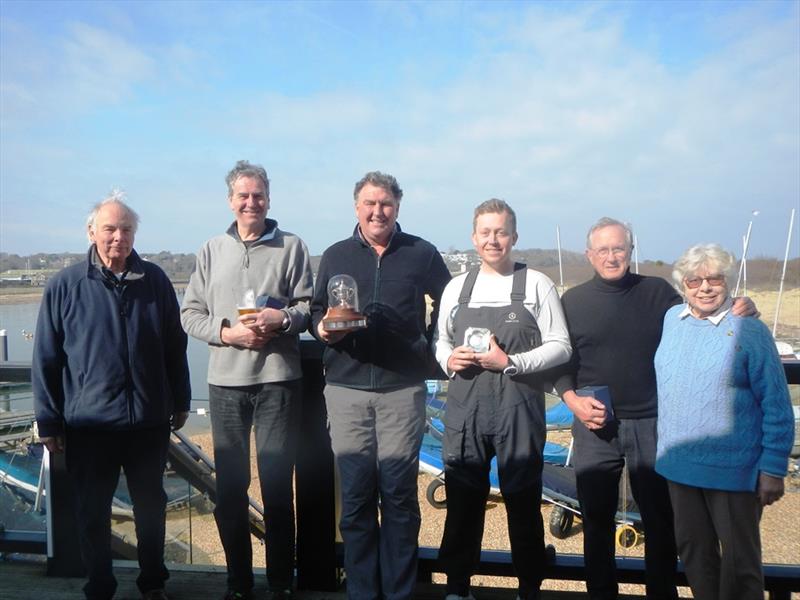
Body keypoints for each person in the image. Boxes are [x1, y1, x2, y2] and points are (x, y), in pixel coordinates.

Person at [552, 217, 757, 600]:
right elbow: (561, 365)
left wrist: (738, 305)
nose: (612, 257)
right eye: (603, 250)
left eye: (619, 249)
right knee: (595, 519)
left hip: (654, 422)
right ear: (589, 254)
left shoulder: (658, 291)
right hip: (595, 424)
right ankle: (601, 593)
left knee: (660, 520)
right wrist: (572, 401)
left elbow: (702, 315)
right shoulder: (572, 301)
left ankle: (661, 594)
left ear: (631, 251)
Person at [32, 193, 191, 600]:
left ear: (135, 234)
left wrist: (181, 400)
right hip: (89, 424)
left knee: (151, 511)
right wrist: (49, 420)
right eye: (109, 229)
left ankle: (153, 583)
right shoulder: (65, 285)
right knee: (92, 514)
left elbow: (175, 346)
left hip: (148, 422)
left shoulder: (155, 281)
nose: (118, 237)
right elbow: (46, 358)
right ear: (91, 232)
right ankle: (99, 586)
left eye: (126, 230)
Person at [310, 171, 451, 600]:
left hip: (402, 390)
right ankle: (362, 591)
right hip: (346, 389)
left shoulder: (421, 253)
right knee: (354, 499)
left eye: (386, 204)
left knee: (399, 496)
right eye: (370, 204)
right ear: (356, 207)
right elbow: (318, 312)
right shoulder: (335, 255)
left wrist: (427, 349)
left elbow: (448, 302)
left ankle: (399, 592)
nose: (377, 211)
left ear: (397, 207)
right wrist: (325, 331)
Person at [181, 160, 313, 600]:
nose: (251, 202)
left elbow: (307, 309)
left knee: (277, 490)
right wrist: (226, 333)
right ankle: (238, 583)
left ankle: (280, 584)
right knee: (231, 492)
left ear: (269, 199)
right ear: (231, 201)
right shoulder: (210, 249)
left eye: (258, 195)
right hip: (224, 386)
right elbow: (189, 315)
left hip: (279, 382)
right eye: (243, 195)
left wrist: (282, 318)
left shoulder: (293, 246)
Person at [433, 199, 571, 600]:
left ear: (514, 236)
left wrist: (511, 362)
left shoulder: (536, 284)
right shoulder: (457, 287)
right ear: (474, 238)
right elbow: (439, 339)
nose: (493, 240)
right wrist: (448, 359)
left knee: (523, 501)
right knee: (462, 501)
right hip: (465, 407)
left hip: (519, 406)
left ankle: (528, 586)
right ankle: (458, 586)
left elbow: (561, 346)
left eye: (501, 232)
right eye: (485, 232)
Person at [654, 243, 793, 600]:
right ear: (682, 285)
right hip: (679, 466)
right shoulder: (672, 320)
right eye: (693, 280)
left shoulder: (748, 329)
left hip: (733, 471)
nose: (704, 287)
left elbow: (776, 403)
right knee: (695, 556)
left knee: (740, 566)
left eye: (714, 278)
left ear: (728, 281)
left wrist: (774, 468)